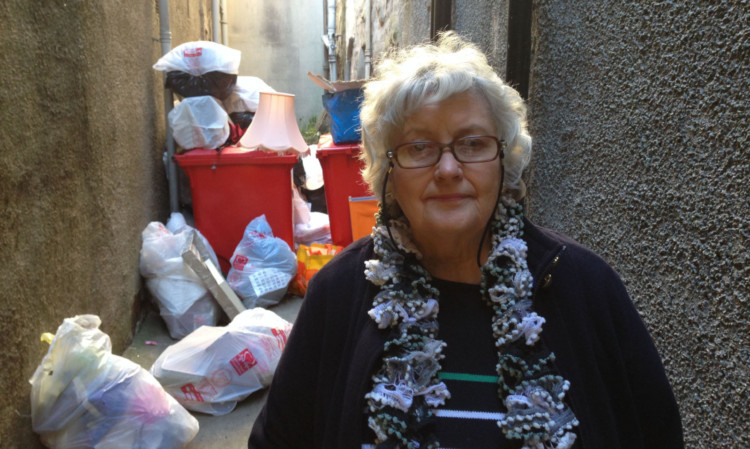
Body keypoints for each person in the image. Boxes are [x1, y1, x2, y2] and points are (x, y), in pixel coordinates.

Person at [249, 32, 683, 449]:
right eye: (420, 147)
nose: (449, 169)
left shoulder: (585, 289)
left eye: (472, 143)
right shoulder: (337, 296)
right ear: (389, 170)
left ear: (503, 158)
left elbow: (656, 434)